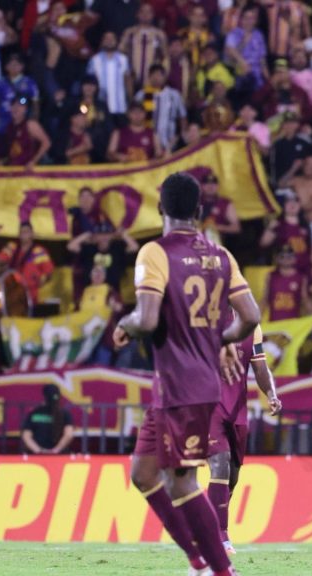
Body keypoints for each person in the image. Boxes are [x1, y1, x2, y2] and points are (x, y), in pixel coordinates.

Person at [113, 172, 260, 576]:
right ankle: (199, 561)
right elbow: (250, 316)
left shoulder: (154, 253)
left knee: (181, 482)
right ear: (199, 209)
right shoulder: (221, 255)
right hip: (183, 385)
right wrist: (219, 338)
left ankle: (219, 569)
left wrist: (125, 324)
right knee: (144, 473)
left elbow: (147, 319)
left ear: (160, 207)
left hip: (182, 385)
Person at [208, 320, 281, 554]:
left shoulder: (252, 326)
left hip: (237, 410)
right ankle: (219, 536)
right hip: (209, 406)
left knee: (233, 474)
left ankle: (208, 520)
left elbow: (260, 367)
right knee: (219, 465)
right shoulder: (206, 318)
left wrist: (271, 394)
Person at [0, 222, 55, 304]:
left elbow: (49, 271)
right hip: (11, 293)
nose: (24, 233)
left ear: (32, 234)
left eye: (26, 231)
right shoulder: (12, 247)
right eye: (22, 231)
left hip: (30, 294)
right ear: (19, 235)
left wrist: (41, 281)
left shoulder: (39, 251)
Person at [136, 65, 186, 151]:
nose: (156, 78)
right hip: (147, 140)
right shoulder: (141, 95)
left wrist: (182, 135)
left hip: (169, 140)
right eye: (153, 75)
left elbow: (182, 117)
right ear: (149, 77)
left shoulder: (173, 95)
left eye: (159, 75)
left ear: (164, 77)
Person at [87, 31, 133, 119]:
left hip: (120, 107)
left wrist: (130, 101)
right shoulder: (95, 60)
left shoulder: (123, 59)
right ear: (102, 41)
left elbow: (128, 82)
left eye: (112, 38)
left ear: (116, 41)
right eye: (106, 38)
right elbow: (89, 84)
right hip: (100, 107)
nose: (109, 41)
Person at [21, 384, 76, 454]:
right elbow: (68, 435)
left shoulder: (34, 413)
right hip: (60, 456)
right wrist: (56, 451)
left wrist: (39, 451)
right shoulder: (65, 414)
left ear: (44, 396)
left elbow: (26, 436)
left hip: (37, 457)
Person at [0, 96, 50, 166]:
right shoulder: (10, 127)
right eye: (13, 105)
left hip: (27, 169)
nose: (16, 108)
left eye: (20, 106)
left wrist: (33, 161)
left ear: (25, 109)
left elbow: (46, 143)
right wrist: (3, 162)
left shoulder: (30, 125)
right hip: (14, 168)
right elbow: (14, 152)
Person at [264, 245, 312, 320]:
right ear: (277, 258)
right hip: (274, 323)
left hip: (293, 323)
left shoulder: (301, 278)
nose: (286, 259)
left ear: (294, 258)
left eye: (289, 257)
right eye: (282, 256)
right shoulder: (271, 276)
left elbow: (305, 300)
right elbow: (265, 299)